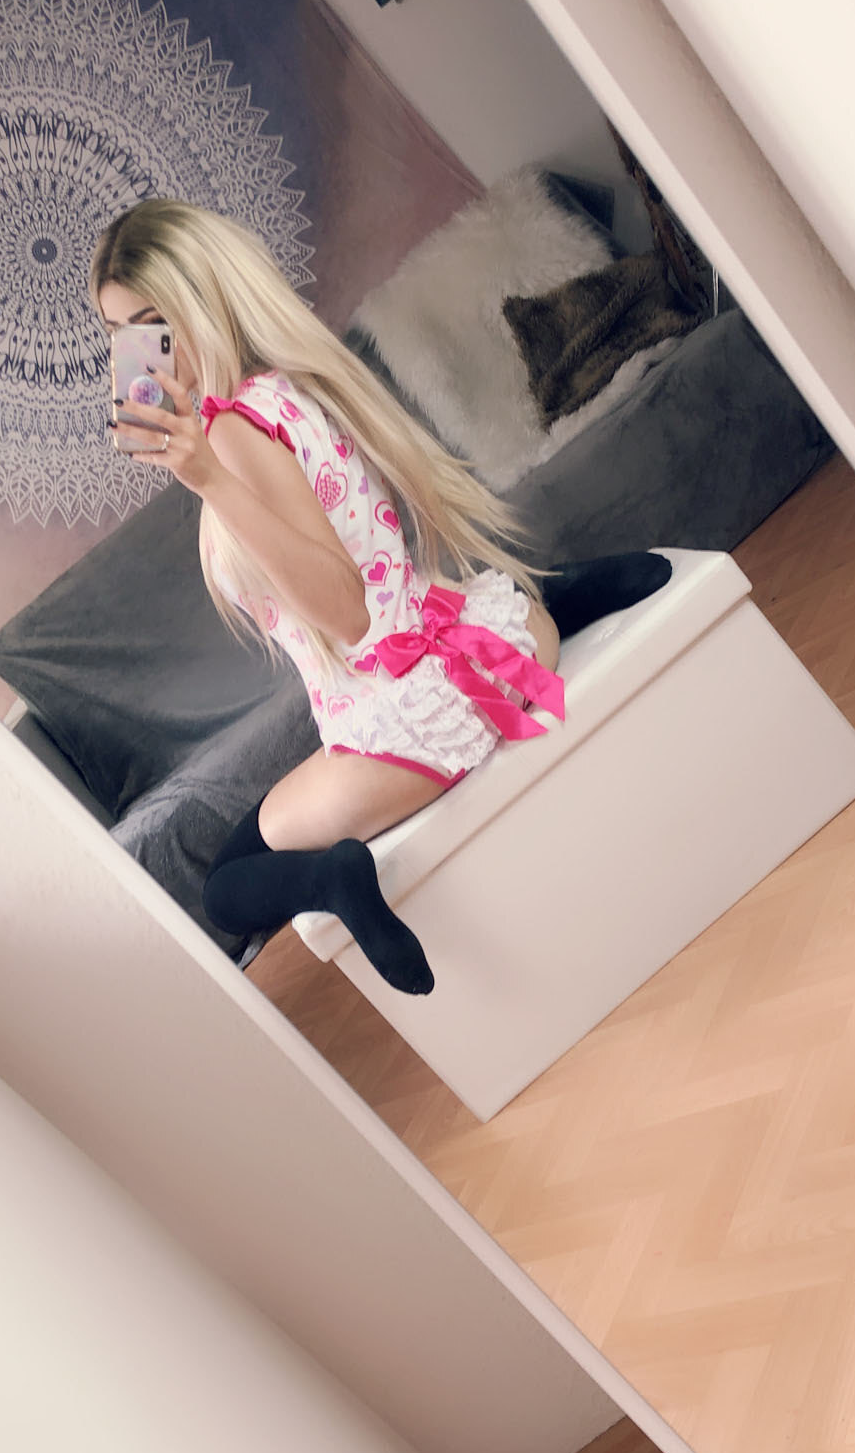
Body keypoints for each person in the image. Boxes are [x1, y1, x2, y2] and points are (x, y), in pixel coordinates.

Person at [92, 198, 668, 995]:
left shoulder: (229, 436)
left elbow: (347, 611)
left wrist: (209, 480)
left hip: (409, 721)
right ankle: (557, 603)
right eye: (119, 334)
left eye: (152, 324)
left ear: (202, 298)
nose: (136, 355)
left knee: (226, 885)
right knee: (273, 811)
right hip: (467, 641)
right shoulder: (276, 390)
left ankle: (337, 881)